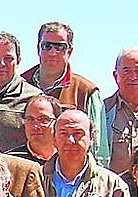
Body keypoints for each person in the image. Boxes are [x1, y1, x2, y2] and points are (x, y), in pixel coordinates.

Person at [21, 22, 103, 153]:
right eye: (47, 46)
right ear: (38, 49)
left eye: (60, 47)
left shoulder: (86, 91)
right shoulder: (20, 85)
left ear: (69, 51)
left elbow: (98, 148)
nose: (53, 52)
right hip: (24, 168)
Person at [7, 94, 61, 165]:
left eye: (43, 119)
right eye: (30, 119)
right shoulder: (11, 160)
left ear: (57, 122)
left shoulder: (67, 156)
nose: (35, 126)